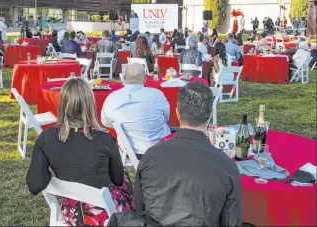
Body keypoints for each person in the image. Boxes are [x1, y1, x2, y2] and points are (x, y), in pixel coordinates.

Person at [26, 78, 135, 226]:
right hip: (106, 214)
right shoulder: (106, 139)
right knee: (126, 181)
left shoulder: (46, 138)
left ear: (62, 103)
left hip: (73, 213)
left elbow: (35, 184)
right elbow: (117, 180)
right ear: (90, 104)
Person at [133, 81, 243, 226]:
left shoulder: (150, 156)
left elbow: (140, 208)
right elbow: (231, 222)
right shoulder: (227, 166)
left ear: (177, 113)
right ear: (210, 115)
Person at [101, 63, 170, 157]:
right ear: (145, 78)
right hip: (159, 149)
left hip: (130, 151)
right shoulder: (157, 95)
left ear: (124, 78)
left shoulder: (112, 97)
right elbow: (166, 118)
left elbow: (105, 122)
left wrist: (125, 125)